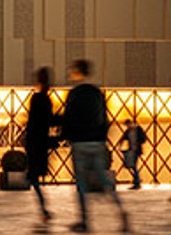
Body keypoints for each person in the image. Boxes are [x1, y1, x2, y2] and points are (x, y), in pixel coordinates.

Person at [62, 59, 128, 233]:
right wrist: (102, 138)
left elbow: (69, 118)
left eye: (72, 70)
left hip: (80, 143)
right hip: (97, 143)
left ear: (77, 72)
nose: (70, 73)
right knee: (105, 181)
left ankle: (84, 220)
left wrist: (65, 137)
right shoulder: (98, 93)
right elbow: (105, 119)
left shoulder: (74, 94)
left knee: (81, 184)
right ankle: (121, 211)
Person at [24, 67, 55, 226]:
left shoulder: (36, 99)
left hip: (34, 142)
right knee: (35, 178)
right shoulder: (47, 100)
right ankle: (44, 210)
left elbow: (33, 122)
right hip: (41, 143)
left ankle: (44, 210)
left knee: (34, 178)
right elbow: (49, 121)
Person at [121, 119, 147, 189]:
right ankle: (137, 181)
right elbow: (123, 137)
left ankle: (137, 182)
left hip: (136, 151)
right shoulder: (129, 130)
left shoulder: (138, 129)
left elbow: (144, 138)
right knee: (133, 166)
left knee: (134, 166)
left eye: (128, 125)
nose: (127, 126)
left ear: (131, 123)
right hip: (132, 150)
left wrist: (138, 142)